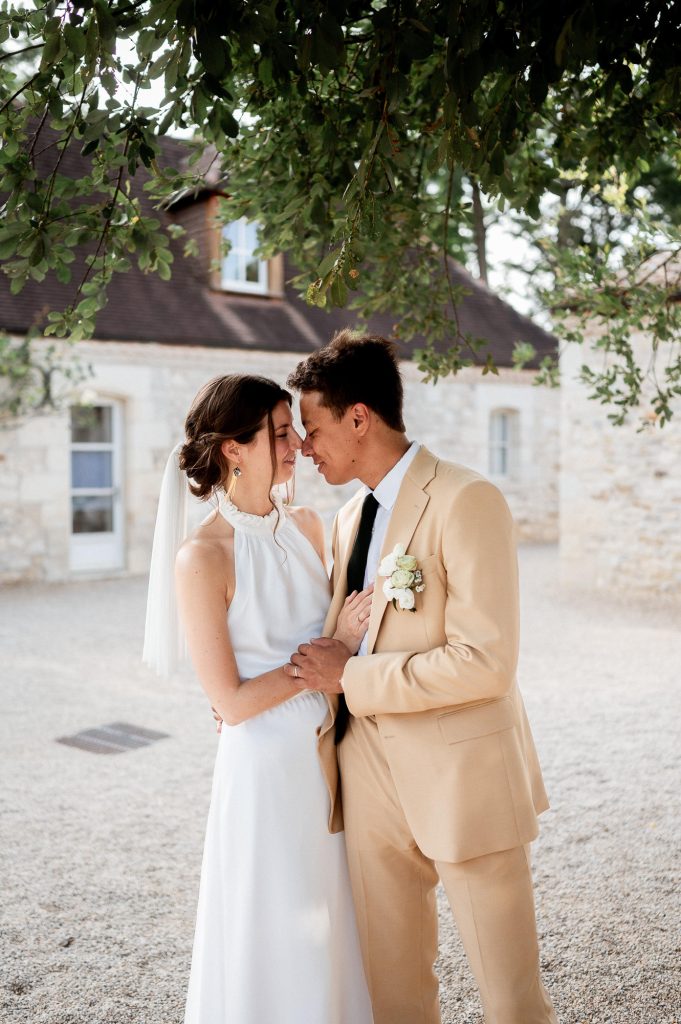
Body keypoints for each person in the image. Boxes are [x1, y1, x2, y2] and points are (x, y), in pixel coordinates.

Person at [283, 330, 558, 1024]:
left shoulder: (467, 498)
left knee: (511, 999)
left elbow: (485, 662)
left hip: (462, 775)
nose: (305, 448)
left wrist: (354, 677)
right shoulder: (348, 519)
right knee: (393, 991)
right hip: (366, 778)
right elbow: (341, 638)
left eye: (312, 428)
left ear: (358, 417)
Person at [142, 373, 374, 1024]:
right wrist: (329, 650)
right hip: (266, 770)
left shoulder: (308, 525)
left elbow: (344, 636)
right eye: (279, 433)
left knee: (332, 922)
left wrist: (344, 648)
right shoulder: (203, 557)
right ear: (233, 449)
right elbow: (232, 702)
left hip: (332, 751)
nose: (298, 444)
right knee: (274, 924)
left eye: (292, 430)